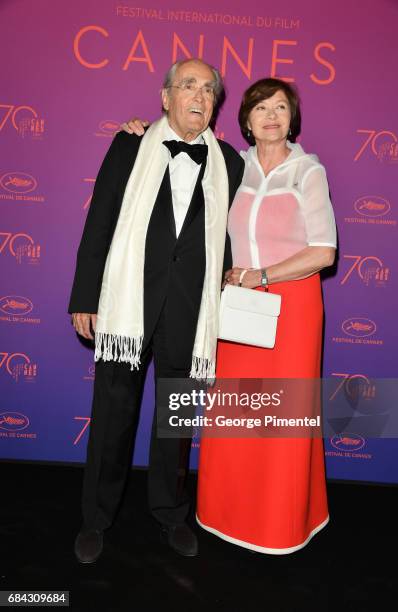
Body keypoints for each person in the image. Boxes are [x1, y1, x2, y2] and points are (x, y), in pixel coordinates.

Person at [124, 77, 336, 554]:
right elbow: (175, 163)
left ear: (291, 118)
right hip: (237, 309)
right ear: (245, 119)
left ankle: (280, 523)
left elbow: (324, 252)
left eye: (281, 107)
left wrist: (262, 275)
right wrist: (139, 130)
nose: (272, 115)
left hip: (293, 308)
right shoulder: (230, 165)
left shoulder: (308, 171)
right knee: (235, 418)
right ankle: (224, 514)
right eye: (261, 107)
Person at [69, 58, 244, 563]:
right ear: (166, 97)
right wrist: (84, 296)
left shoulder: (230, 163)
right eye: (188, 85)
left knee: (175, 421)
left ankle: (170, 513)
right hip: (126, 305)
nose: (199, 95)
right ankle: (96, 519)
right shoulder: (130, 145)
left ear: (215, 104)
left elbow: (230, 241)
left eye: (209, 89)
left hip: (190, 313)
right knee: (113, 416)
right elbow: (99, 221)